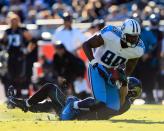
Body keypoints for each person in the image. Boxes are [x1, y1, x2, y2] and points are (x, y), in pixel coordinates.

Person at [60, 18, 145, 120]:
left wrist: (123, 77)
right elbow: (86, 45)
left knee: (113, 108)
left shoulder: (138, 49)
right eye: (130, 37)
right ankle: (73, 104)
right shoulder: (111, 34)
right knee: (99, 103)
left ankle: (79, 111)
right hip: (98, 67)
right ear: (123, 34)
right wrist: (94, 63)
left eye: (135, 37)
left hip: (111, 72)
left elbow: (130, 65)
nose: (133, 40)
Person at [7, 77, 142, 120]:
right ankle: (19, 104)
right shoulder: (124, 104)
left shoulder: (122, 102)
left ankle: (24, 104)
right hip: (78, 114)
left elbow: (95, 104)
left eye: (124, 86)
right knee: (50, 105)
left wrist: (76, 105)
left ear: (130, 91)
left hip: (75, 113)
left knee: (50, 88)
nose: (120, 87)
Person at [0, 12, 37, 98]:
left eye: (15, 20)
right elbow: (2, 42)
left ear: (18, 21)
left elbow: (33, 41)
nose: (14, 22)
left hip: (20, 56)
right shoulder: (8, 31)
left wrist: (27, 50)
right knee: (10, 76)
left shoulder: (22, 30)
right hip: (10, 56)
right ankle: (12, 96)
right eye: (12, 20)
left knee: (21, 76)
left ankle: (21, 96)